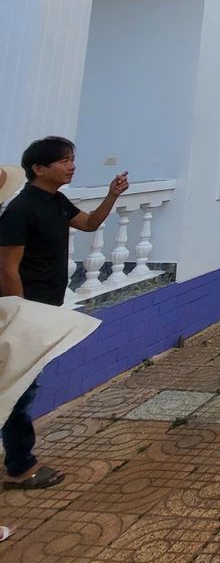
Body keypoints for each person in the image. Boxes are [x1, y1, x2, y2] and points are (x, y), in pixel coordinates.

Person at [0, 138, 127, 490]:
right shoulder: (22, 209)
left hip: (44, 308)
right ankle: (20, 467)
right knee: (19, 390)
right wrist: (22, 315)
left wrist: (112, 195)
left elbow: (89, 224)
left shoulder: (56, 201)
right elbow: (7, 268)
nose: (71, 166)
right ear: (39, 168)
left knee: (23, 386)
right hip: (26, 311)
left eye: (72, 159)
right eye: (64, 161)